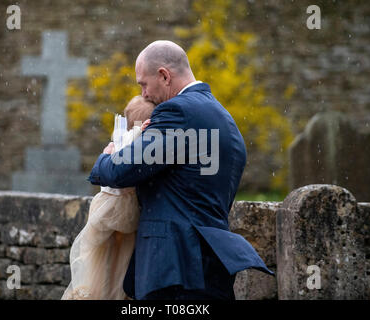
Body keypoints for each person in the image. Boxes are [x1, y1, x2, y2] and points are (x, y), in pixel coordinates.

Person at [88, 40, 274, 300]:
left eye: (143, 83)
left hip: (174, 271)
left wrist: (105, 158)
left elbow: (121, 171)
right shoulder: (225, 120)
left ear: (164, 75)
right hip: (211, 268)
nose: (143, 94)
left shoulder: (178, 112)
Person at [62, 96, 154, 300]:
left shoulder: (118, 139)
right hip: (118, 208)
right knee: (117, 263)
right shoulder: (133, 139)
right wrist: (145, 128)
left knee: (105, 263)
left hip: (106, 208)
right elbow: (132, 149)